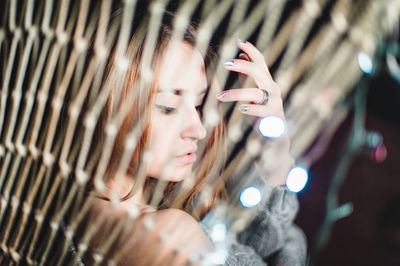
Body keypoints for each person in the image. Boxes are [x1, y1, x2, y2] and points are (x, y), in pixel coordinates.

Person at [83, 14, 306, 266]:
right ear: (107, 106)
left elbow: (264, 243)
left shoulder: (183, 203)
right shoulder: (168, 236)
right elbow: (282, 245)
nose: (198, 130)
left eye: (198, 104)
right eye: (168, 107)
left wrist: (275, 147)